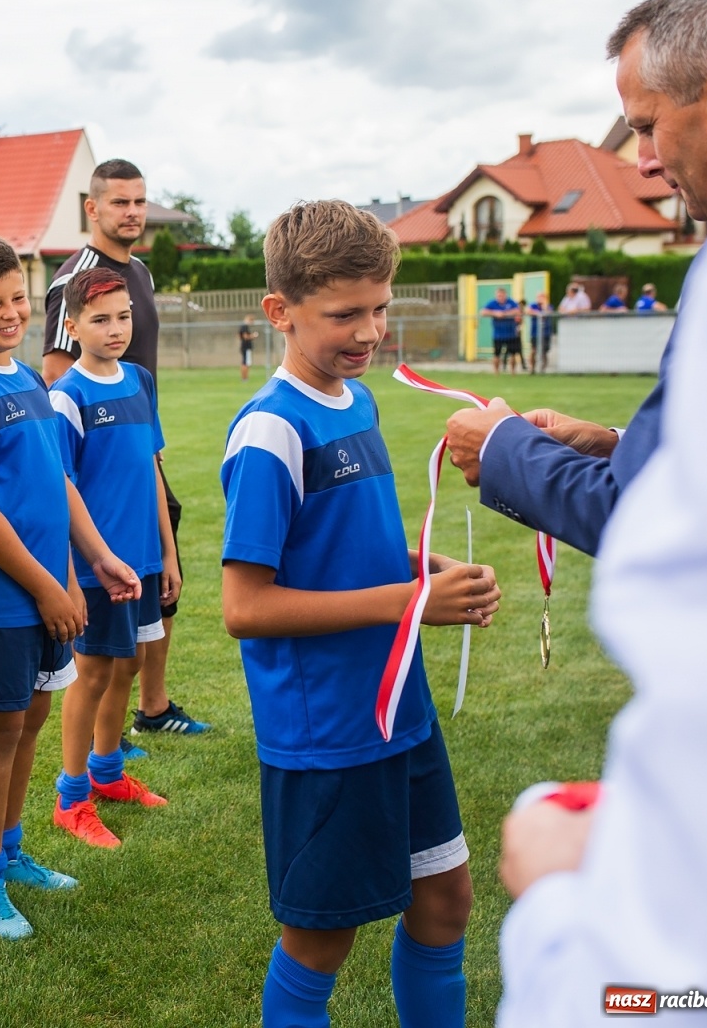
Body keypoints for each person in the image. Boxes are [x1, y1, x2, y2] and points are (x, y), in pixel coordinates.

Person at [497, 0, 707, 1021]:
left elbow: (677, 983)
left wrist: (566, 886)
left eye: (647, 125)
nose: (642, 157)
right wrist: (619, 438)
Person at [222, 202, 499, 1028]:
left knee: (445, 901)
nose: (370, 329)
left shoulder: (359, 402)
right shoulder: (272, 430)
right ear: (281, 311)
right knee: (321, 940)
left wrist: (425, 569)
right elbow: (246, 606)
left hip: (399, 711)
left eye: (379, 308)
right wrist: (413, 601)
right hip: (329, 733)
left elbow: (345, 551)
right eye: (345, 313)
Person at [0, 235, 135, 935]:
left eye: (19, 298)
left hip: (49, 591)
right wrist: (48, 589)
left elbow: (58, 483)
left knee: (34, 719)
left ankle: (9, 851)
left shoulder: (26, 378)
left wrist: (91, 563)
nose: (12, 313)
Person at [43, 157, 207, 743]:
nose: (133, 212)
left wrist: (151, 463)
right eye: (120, 202)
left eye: (140, 201)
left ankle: (149, 711)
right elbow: (61, 380)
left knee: (158, 593)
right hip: (100, 488)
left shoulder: (139, 272)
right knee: (100, 658)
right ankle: (90, 765)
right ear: (93, 208)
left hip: (143, 456)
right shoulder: (76, 279)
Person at [49, 266, 176, 849]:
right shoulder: (66, 397)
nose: (115, 328)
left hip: (144, 560)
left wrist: (167, 555)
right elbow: (62, 490)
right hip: (98, 566)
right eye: (100, 319)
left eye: (123, 316)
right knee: (94, 671)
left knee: (128, 665)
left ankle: (107, 773)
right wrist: (81, 568)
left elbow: (150, 468)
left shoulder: (140, 382)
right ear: (72, 326)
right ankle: (71, 798)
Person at [484, 286, 523, 374]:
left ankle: (513, 372)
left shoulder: (511, 302)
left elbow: (518, 311)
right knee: (497, 354)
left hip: (511, 333)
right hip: (498, 334)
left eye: (502, 295)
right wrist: (495, 313)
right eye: (498, 295)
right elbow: (483, 312)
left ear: (505, 295)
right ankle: (496, 372)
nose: (500, 297)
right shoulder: (493, 303)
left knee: (513, 354)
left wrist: (505, 314)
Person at [527, 292, 554, 374]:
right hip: (535, 333)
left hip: (545, 333)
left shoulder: (548, 306)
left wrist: (544, 306)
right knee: (533, 350)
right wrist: (538, 314)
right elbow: (528, 311)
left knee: (544, 352)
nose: (540, 299)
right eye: (538, 297)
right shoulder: (533, 305)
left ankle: (543, 369)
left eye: (542, 297)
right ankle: (532, 368)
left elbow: (548, 312)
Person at [239, 316, 259, 381]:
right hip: (246, 347)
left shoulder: (243, 327)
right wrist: (253, 336)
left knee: (245, 362)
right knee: (245, 363)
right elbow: (245, 337)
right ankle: (245, 378)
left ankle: (245, 378)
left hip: (244, 347)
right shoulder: (244, 327)